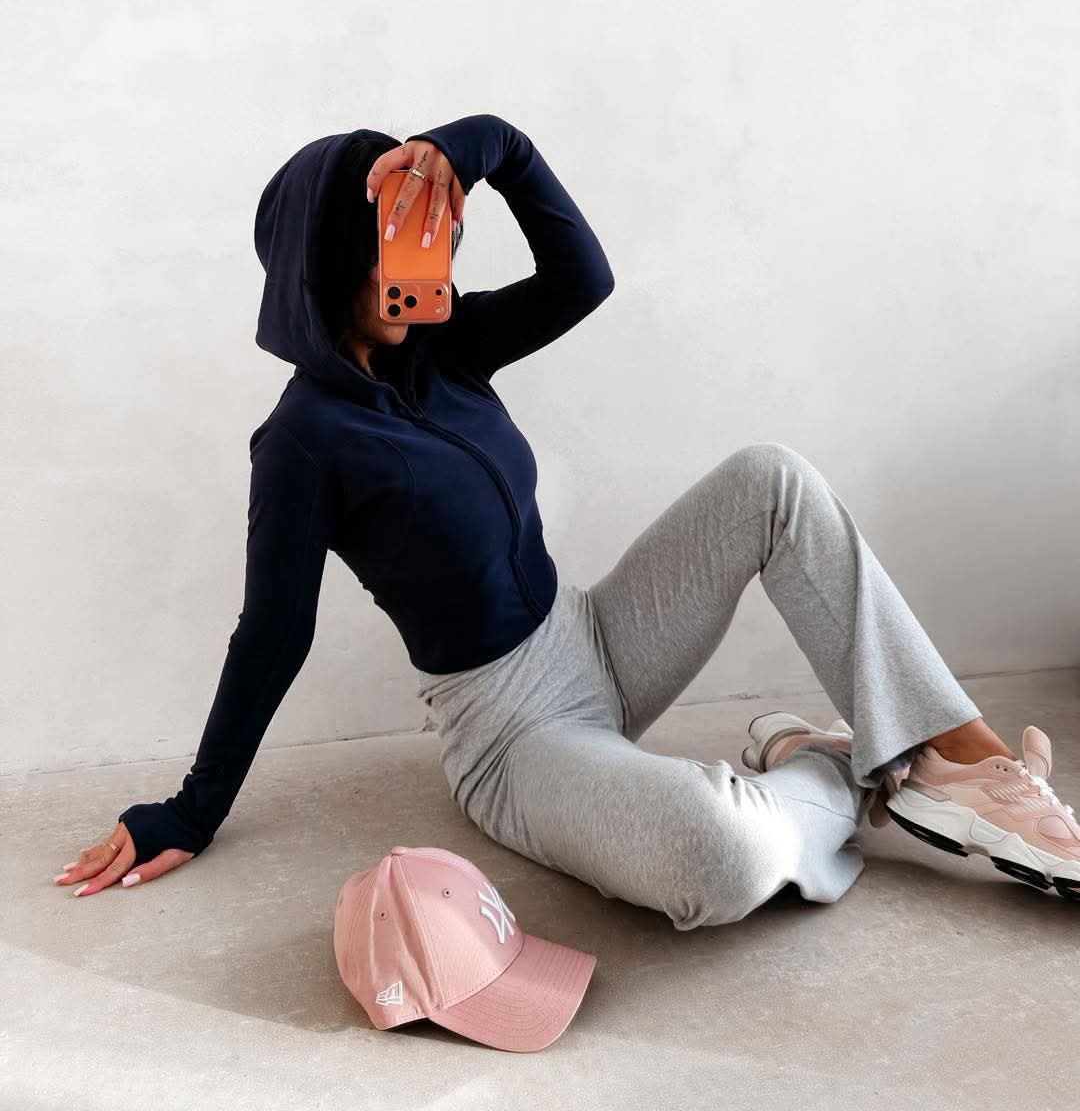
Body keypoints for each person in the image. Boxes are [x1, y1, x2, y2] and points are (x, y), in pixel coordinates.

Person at [55, 114, 1080, 918]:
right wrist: (191, 809)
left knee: (771, 479)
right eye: (385, 243)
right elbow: (272, 633)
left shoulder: (444, 348)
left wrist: (489, 147)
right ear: (322, 263)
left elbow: (583, 277)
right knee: (719, 855)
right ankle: (840, 765)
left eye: (421, 232)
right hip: (513, 734)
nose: (417, 262)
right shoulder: (302, 442)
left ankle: (965, 762)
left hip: (594, 637)